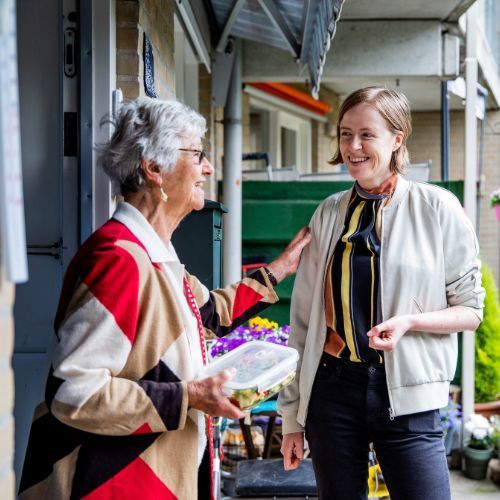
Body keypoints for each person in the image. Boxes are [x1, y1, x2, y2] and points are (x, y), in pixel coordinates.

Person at [19, 98, 311, 500]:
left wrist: (281, 268)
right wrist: (189, 396)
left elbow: (208, 313)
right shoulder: (119, 259)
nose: (208, 168)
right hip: (114, 483)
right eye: (198, 155)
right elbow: (74, 393)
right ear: (154, 168)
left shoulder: (154, 250)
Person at [278, 86, 485, 500]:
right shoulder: (328, 213)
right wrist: (291, 419)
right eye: (345, 133)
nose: (353, 146)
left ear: (397, 139)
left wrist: (411, 322)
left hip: (409, 397)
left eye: (367, 134)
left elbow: (470, 309)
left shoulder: (438, 208)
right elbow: (302, 321)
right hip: (331, 392)